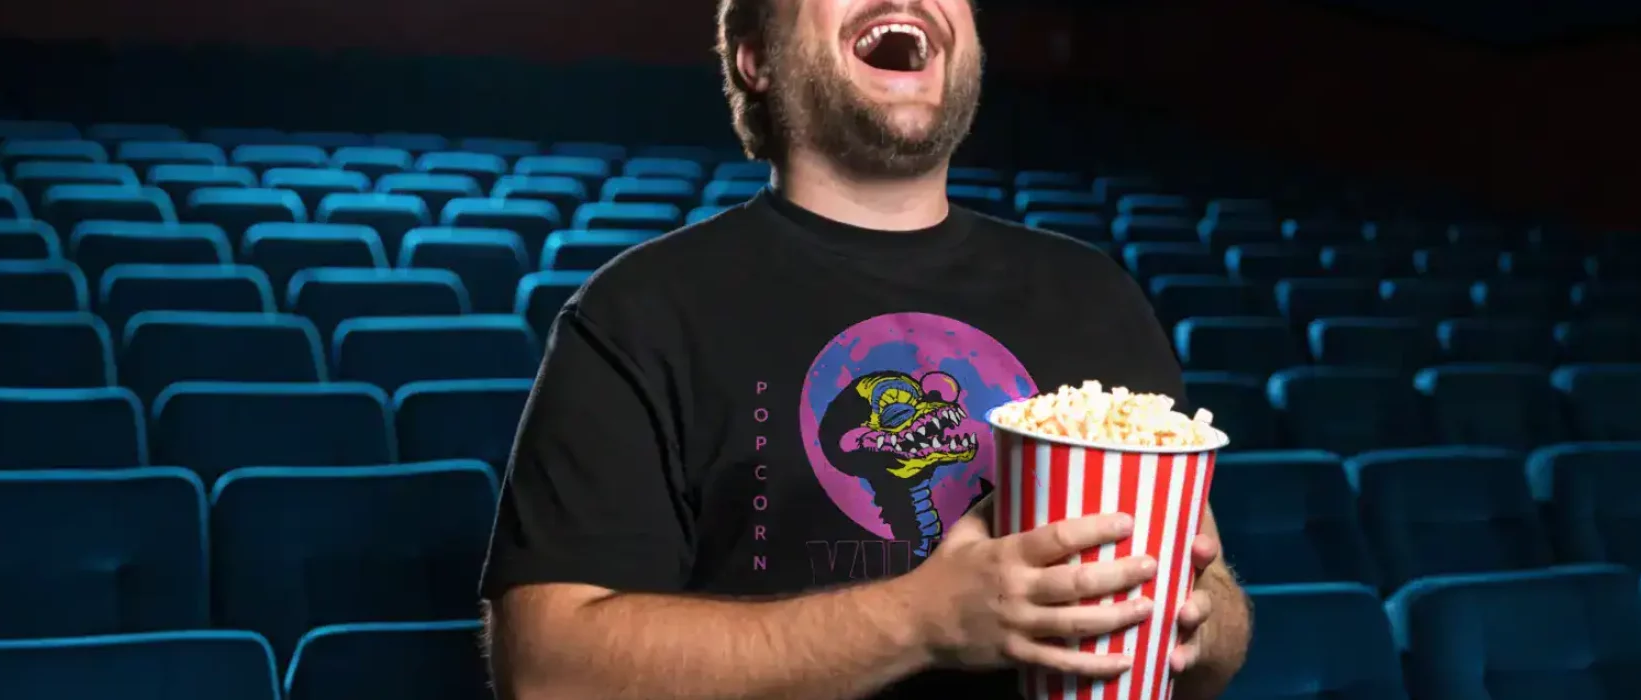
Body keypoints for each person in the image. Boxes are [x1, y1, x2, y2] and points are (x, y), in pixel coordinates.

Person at [480, 0, 1252, 697]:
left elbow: (1216, 621)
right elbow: (549, 670)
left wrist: (1194, 615)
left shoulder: (1096, 295)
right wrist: (921, 621)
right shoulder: (637, 311)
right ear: (756, 58)